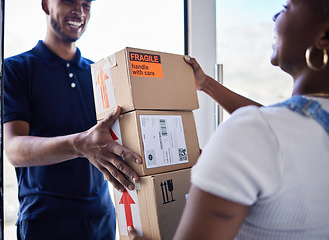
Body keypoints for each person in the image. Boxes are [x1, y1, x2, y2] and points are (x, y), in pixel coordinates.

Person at [129, 0, 329, 239]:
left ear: (323, 37)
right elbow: (280, 125)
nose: (275, 16)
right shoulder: (292, 131)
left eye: (286, 7)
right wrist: (206, 84)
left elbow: (266, 129)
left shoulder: (254, 133)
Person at [3, 0, 142, 239]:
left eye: (86, 4)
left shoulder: (100, 74)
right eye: (69, 1)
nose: (79, 11)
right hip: (45, 222)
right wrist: (80, 144)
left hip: (103, 220)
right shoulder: (16, 69)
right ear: (46, 5)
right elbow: (14, 149)